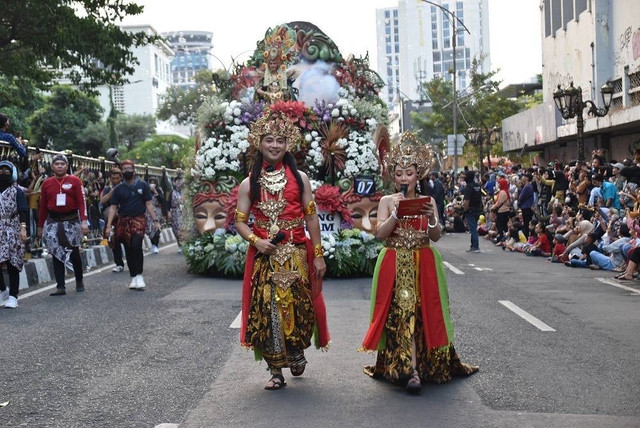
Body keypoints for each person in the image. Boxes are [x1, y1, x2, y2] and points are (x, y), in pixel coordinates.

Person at [361, 134, 478, 395]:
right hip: (395, 261)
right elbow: (380, 235)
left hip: (423, 261)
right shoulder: (386, 201)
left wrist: (431, 219)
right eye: (400, 173)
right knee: (401, 314)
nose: (404, 178)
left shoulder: (429, 202)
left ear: (418, 176)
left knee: (425, 312)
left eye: (409, 173)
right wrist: (395, 214)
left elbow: (435, 236)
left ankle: (423, 365)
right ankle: (410, 369)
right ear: (394, 176)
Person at [235, 110, 330, 390]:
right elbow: (240, 222)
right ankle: (275, 370)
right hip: (266, 257)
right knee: (267, 311)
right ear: (259, 143)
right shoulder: (248, 183)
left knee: (301, 308)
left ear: (288, 144)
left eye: (280, 140)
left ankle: (297, 351)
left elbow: (311, 217)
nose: (274, 145)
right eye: (268, 140)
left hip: (297, 254)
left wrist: (319, 254)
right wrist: (256, 241)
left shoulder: (300, 179)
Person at [104, 160, 161, 290]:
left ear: (134, 171)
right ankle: (133, 277)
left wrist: (155, 221)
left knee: (136, 245)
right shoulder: (118, 189)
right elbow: (113, 207)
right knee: (129, 249)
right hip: (123, 222)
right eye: (124, 169)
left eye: (130, 168)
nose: (127, 171)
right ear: (122, 172)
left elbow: (149, 204)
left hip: (139, 220)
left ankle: (140, 275)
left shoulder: (143, 185)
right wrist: (108, 226)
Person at [37, 154, 89, 296]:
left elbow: (81, 202)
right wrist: (40, 226)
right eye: (57, 164)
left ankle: (79, 280)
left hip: (71, 221)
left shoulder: (75, 181)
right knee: (55, 253)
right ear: (52, 166)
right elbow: (42, 208)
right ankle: (60, 286)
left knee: (74, 252)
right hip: (53, 222)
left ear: (67, 166)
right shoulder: (47, 183)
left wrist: (84, 221)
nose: (59, 166)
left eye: (62, 164)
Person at [0, 161, 28, 308]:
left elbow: (23, 210)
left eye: (7, 171)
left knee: (12, 262)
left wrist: (23, 228)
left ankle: (13, 296)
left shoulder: (17, 191)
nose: (3, 173)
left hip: (12, 228)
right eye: (1, 170)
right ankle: (3, 289)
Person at [100, 167, 125, 272]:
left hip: (124, 217)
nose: (115, 180)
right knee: (114, 240)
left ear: (121, 178)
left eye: (117, 178)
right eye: (113, 178)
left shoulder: (126, 186)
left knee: (128, 239)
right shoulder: (107, 189)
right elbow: (102, 200)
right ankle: (119, 263)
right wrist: (113, 191)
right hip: (112, 219)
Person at [462, 170, 482, 252]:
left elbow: (467, 201)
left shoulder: (468, 187)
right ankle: (474, 245)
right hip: (477, 208)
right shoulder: (478, 186)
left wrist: (464, 210)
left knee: (473, 228)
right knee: (474, 227)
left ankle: (475, 246)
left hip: (470, 209)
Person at [145, 177, 165, 254]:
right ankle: (153, 243)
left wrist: (155, 192)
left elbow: (162, 200)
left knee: (157, 230)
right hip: (148, 213)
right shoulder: (146, 191)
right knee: (150, 230)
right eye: (150, 182)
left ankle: (155, 245)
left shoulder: (159, 190)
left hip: (157, 213)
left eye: (153, 182)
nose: (152, 184)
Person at [167, 174, 185, 252]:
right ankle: (179, 244)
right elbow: (168, 203)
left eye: (180, 181)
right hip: (175, 212)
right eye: (177, 181)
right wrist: (168, 212)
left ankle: (184, 244)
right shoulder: (172, 192)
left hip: (184, 212)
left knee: (184, 228)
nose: (179, 183)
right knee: (176, 229)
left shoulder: (185, 191)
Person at [518, 173, 535, 238]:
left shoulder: (527, 186)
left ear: (527, 178)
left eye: (524, 176)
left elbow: (521, 197)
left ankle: (526, 236)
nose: (522, 178)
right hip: (526, 206)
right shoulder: (527, 186)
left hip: (526, 206)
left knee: (526, 223)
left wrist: (519, 202)